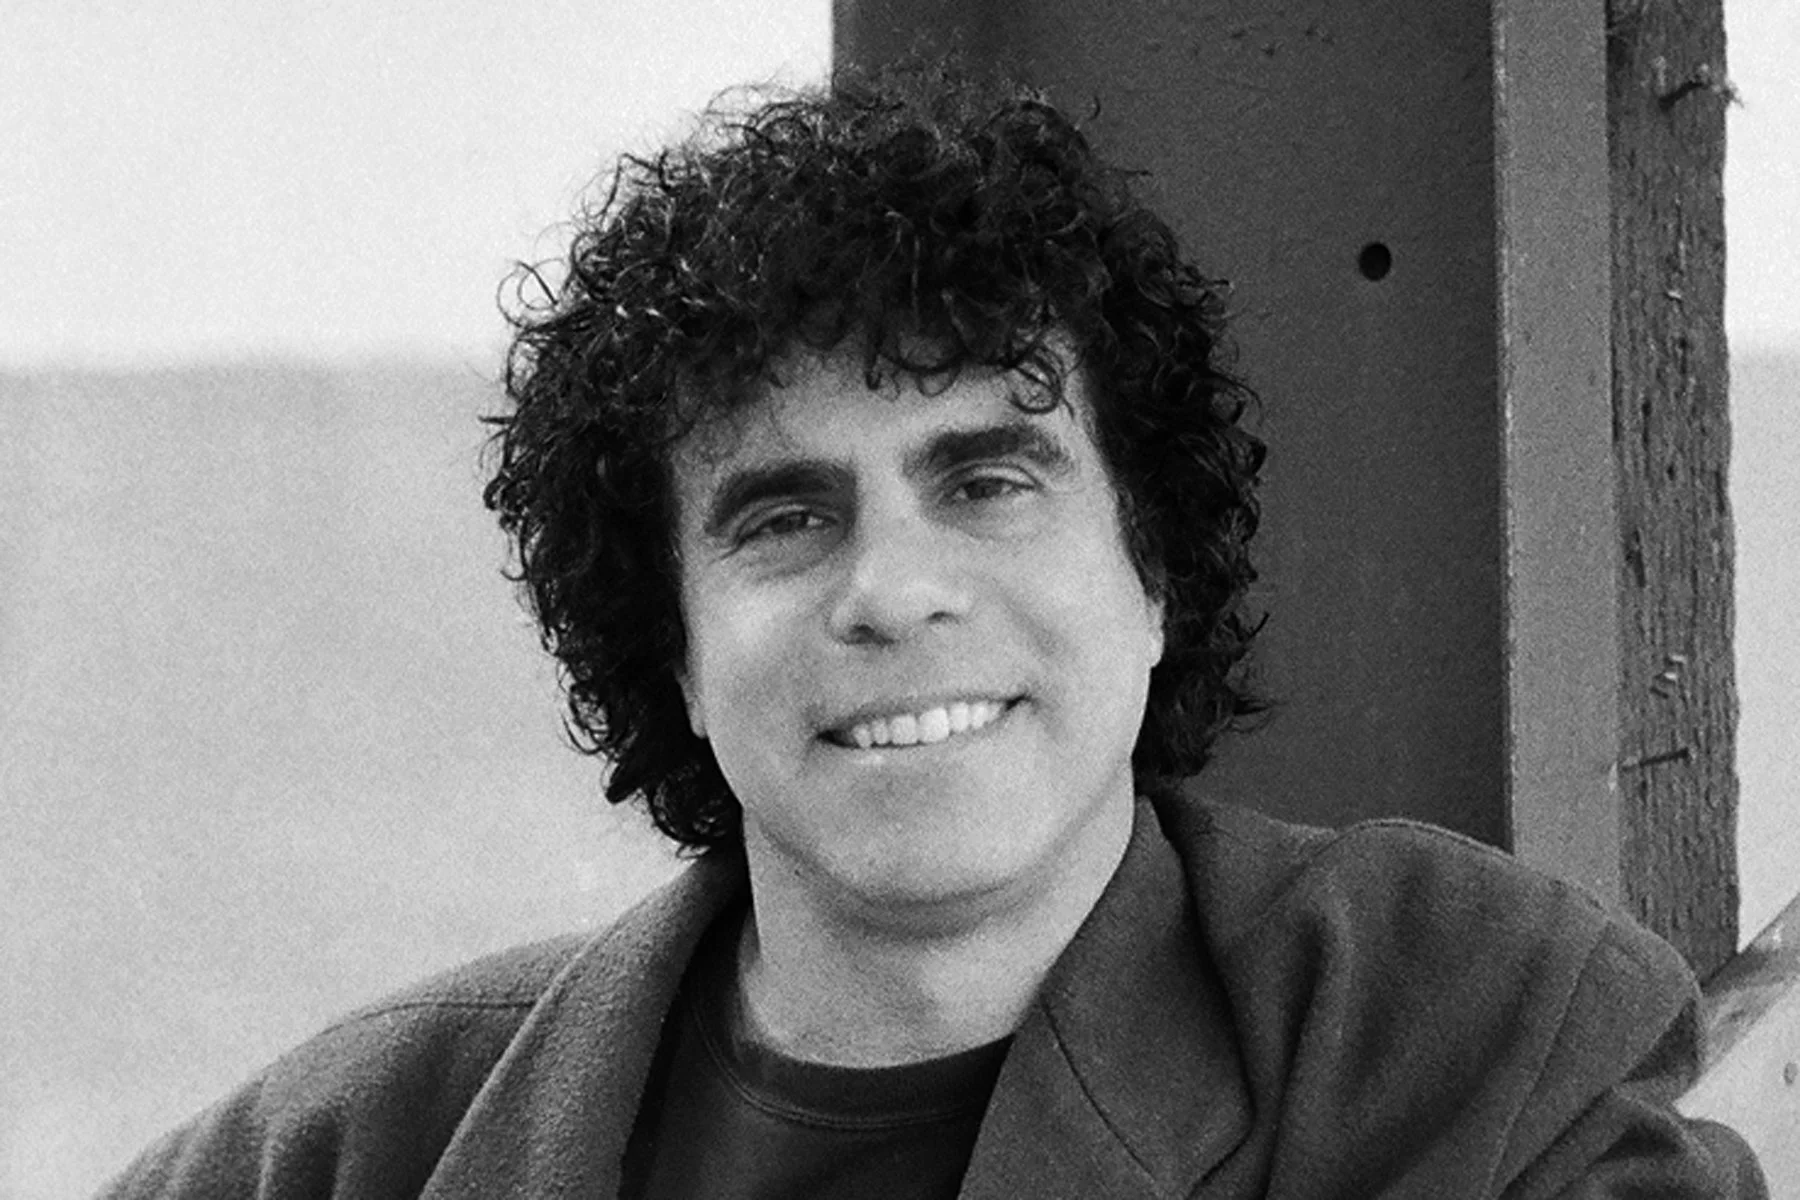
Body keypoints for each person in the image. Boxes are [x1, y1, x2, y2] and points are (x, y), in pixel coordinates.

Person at [100, 63, 1765, 1199]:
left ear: (1153, 572)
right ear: (674, 651)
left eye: (985, 482)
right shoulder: (357, 1147)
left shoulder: (1454, 1041)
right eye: (783, 516)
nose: (892, 589)